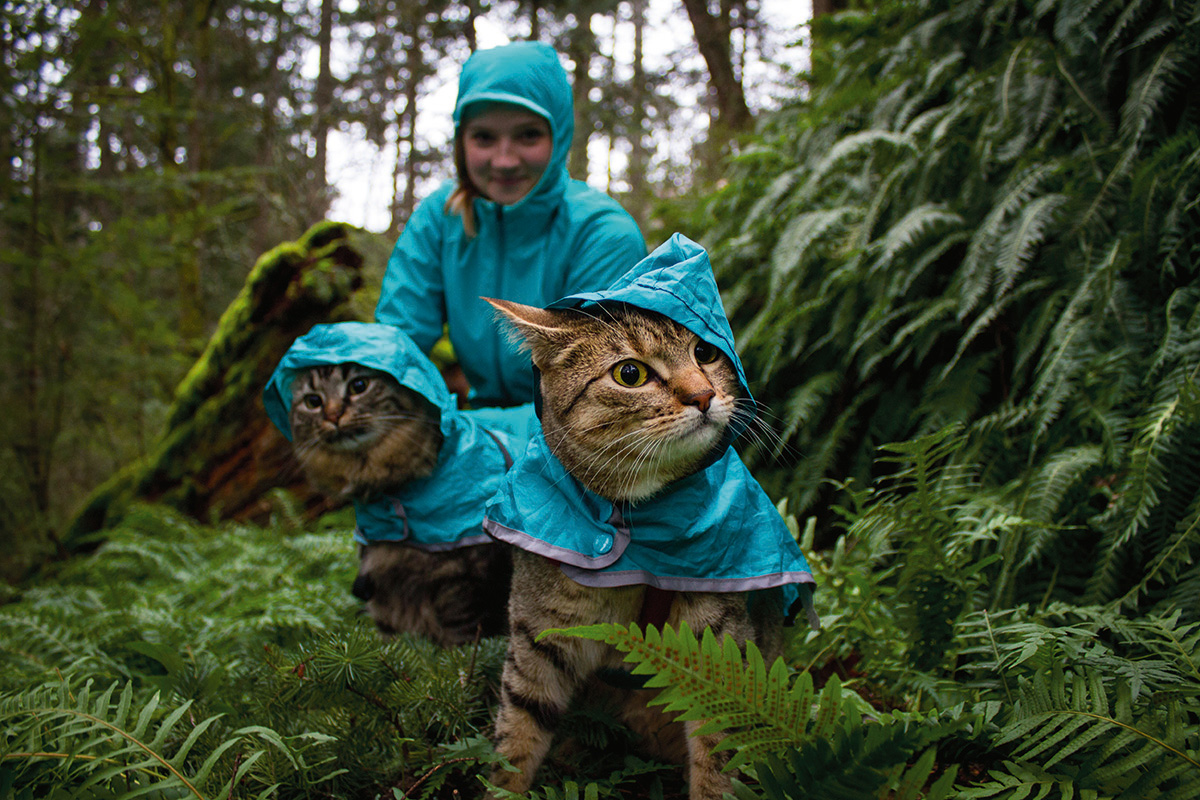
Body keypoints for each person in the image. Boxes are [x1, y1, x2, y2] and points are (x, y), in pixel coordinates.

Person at [375, 40, 647, 408]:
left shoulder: (601, 234)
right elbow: (396, 344)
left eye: (528, 135)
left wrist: (478, 437)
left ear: (559, 134)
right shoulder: (440, 218)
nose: (504, 161)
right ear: (461, 140)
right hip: (478, 418)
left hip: (579, 442)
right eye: (484, 137)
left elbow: (601, 399)